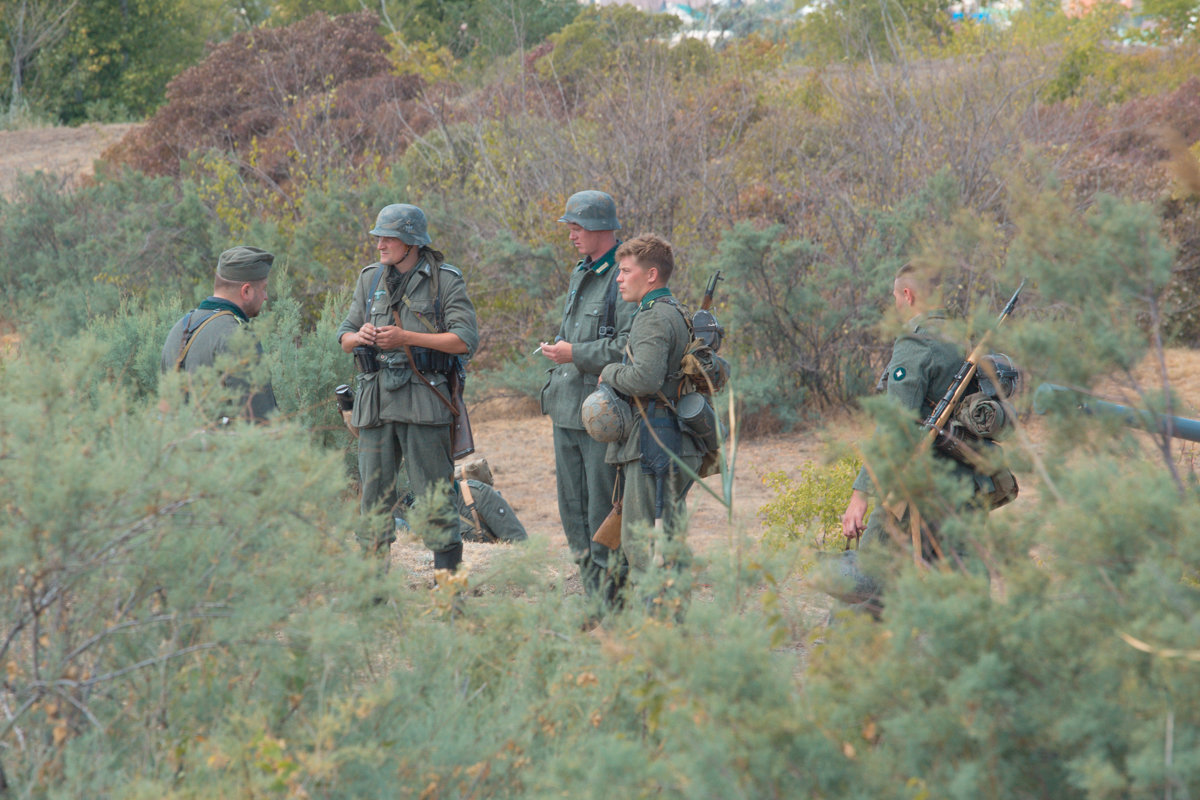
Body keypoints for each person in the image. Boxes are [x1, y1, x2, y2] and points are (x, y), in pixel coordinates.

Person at [836, 263, 996, 615]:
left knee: (867, 583)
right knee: (967, 588)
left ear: (907, 296)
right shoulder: (963, 338)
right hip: (966, 484)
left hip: (918, 491)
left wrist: (860, 494)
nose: (895, 305)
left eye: (895, 297)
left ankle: (842, 656)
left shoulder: (915, 343)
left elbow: (895, 427)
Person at [336, 204, 479, 572]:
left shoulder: (444, 280)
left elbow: (464, 340)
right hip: (376, 404)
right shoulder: (369, 280)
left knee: (434, 499)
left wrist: (406, 338)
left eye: (388, 237)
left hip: (423, 402)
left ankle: (449, 591)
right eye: (379, 236)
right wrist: (359, 336)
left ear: (411, 242)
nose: (380, 244)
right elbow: (344, 335)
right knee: (373, 502)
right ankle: (375, 591)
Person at [539, 190, 635, 610]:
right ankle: (593, 600)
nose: (572, 234)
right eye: (571, 227)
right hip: (566, 410)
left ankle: (613, 604)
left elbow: (630, 347)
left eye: (577, 227)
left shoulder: (624, 274)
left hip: (601, 418)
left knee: (602, 512)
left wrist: (575, 353)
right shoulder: (582, 272)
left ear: (600, 228)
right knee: (572, 513)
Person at [599, 234, 703, 617]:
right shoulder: (674, 310)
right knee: (668, 540)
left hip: (653, 442)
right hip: (670, 439)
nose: (619, 279)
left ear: (652, 274)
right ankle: (674, 627)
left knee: (644, 546)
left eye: (626, 271)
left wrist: (609, 371)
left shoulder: (653, 316)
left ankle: (657, 635)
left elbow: (643, 379)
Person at [160, 245, 277, 423]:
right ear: (246, 291)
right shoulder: (238, 337)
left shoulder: (179, 328)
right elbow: (261, 421)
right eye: (263, 289)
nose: (266, 296)